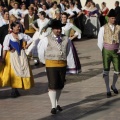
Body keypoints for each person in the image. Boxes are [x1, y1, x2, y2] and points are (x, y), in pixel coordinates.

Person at [37, 20, 76, 114]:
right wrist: (44, 61)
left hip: (62, 64)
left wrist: (70, 65)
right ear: (52, 29)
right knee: (53, 85)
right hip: (51, 64)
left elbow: (68, 52)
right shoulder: (46, 39)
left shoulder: (66, 39)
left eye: (59, 28)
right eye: (56, 29)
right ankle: (53, 106)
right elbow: (41, 51)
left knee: (60, 85)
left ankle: (56, 103)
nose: (58, 30)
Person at [0, 21, 34, 98]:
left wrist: (26, 46)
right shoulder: (8, 36)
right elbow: (5, 47)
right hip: (12, 56)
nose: (19, 28)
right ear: (13, 28)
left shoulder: (21, 35)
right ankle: (13, 89)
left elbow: (31, 39)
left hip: (21, 55)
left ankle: (17, 88)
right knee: (13, 72)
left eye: (19, 27)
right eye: (17, 27)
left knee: (21, 69)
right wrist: (3, 58)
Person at [98, 9, 120, 98]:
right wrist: (103, 51)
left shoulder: (119, 27)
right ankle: (107, 89)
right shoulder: (103, 28)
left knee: (117, 71)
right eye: (112, 18)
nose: (113, 20)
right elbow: (99, 41)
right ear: (108, 18)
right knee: (106, 70)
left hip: (116, 51)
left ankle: (113, 85)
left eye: (114, 18)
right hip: (106, 51)